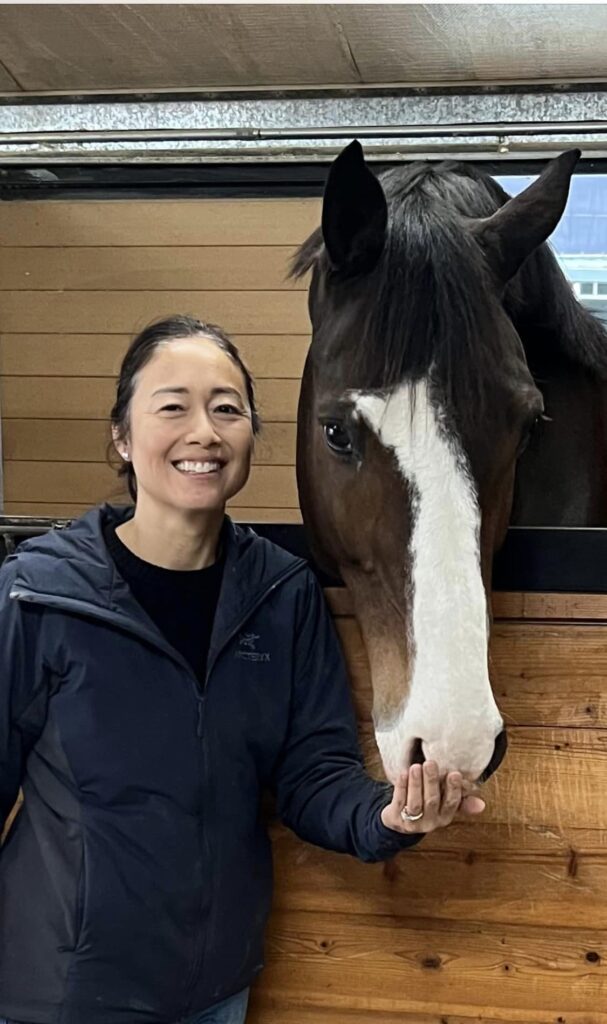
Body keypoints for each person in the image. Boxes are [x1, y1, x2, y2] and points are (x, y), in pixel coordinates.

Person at [0, 315, 485, 1024]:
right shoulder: (37, 594)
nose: (204, 431)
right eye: (173, 407)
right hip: (60, 994)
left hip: (215, 994)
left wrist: (390, 813)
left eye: (226, 408)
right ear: (122, 439)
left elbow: (312, 776)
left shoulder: (280, 594)